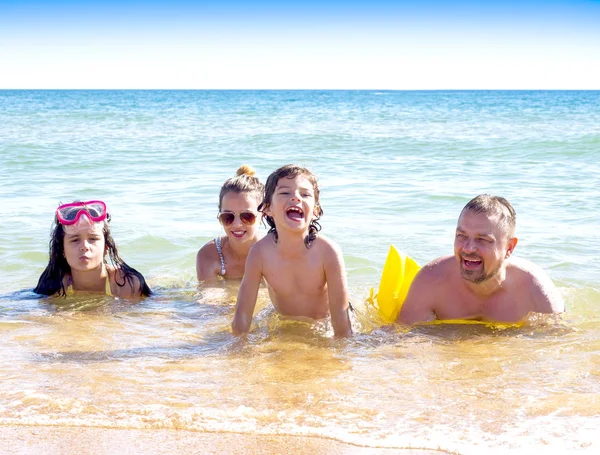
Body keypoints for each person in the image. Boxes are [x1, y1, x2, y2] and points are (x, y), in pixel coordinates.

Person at [397, 194, 564, 325]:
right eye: (461, 236)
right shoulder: (431, 281)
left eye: (482, 240)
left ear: (509, 248)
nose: (468, 248)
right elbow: (399, 340)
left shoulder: (535, 291)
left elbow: (558, 352)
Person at [232, 164, 352, 337]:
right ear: (267, 208)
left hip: (323, 324)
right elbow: (242, 315)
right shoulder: (259, 253)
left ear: (316, 211)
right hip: (284, 321)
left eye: (305, 194)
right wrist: (236, 350)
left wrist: (342, 354)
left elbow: (341, 319)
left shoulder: (328, 252)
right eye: (285, 193)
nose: (296, 197)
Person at [34, 200, 152, 298]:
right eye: (75, 240)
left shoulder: (128, 285)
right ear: (62, 250)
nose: (84, 246)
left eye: (93, 239)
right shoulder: (54, 286)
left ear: (106, 247)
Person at [196, 165, 264, 281]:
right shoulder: (208, 255)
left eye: (247, 216)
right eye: (228, 217)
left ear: (263, 214)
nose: (237, 224)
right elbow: (209, 297)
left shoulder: (274, 252)